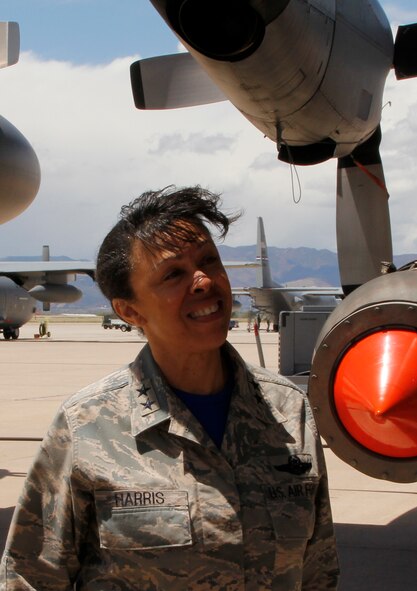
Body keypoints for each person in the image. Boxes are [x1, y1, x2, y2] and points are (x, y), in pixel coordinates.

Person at [0, 187, 340, 589]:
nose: (203, 281)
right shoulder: (87, 427)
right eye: (173, 274)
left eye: (209, 261)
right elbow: (31, 578)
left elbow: (319, 572)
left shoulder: (289, 410)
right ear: (129, 310)